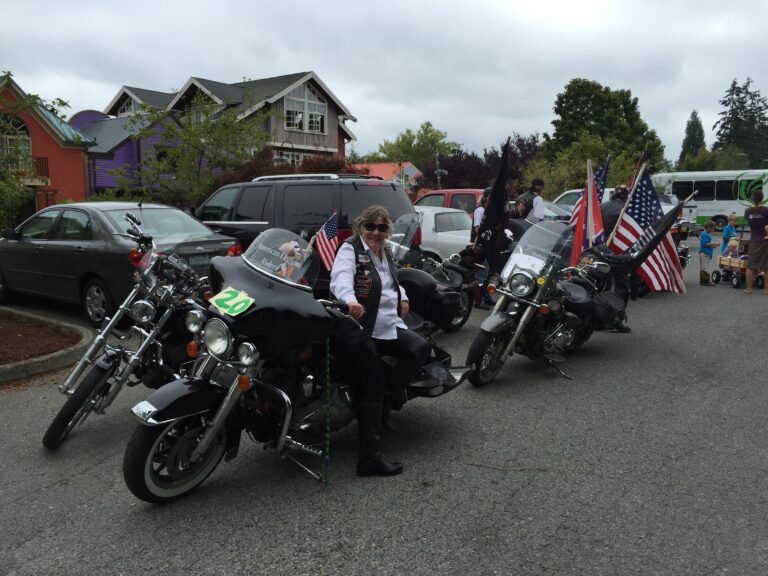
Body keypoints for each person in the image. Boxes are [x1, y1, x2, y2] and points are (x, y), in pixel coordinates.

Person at [330, 205, 430, 476]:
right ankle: (369, 460)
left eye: (382, 227)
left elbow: (391, 281)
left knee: (419, 349)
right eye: (370, 227)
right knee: (371, 386)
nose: (376, 232)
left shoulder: (384, 252)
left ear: (387, 231)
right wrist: (349, 300)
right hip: (361, 326)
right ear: (360, 227)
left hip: (387, 323)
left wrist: (404, 297)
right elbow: (341, 278)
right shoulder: (350, 250)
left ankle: (389, 397)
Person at [599, 185, 632, 332]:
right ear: (626, 196)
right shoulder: (627, 209)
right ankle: (618, 320)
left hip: (599, 250)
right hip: (616, 252)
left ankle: (600, 317)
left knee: (599, 285)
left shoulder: (602, 206)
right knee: (622, 287)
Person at [744, 190, 768, 294]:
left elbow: (749, 222)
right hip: (765, 241)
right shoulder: (766, 210)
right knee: (766, 267)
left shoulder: (747, 211)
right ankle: (766, 290)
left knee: (751, 266)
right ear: (762, 198)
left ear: (752, 198)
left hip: (753, 240)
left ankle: (749, 289)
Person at [698, 220, 718, 286]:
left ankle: (702, 281)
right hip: (705, 253)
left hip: (704, 253)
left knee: (703, 267)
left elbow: (706, 243)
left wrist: (712, 245)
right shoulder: (705, 235)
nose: (714, 229)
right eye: (713, 228)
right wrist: (714, 244)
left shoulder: (704, 234)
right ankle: (706, 281)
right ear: (709, 228)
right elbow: (705, 244)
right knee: (706, 267)